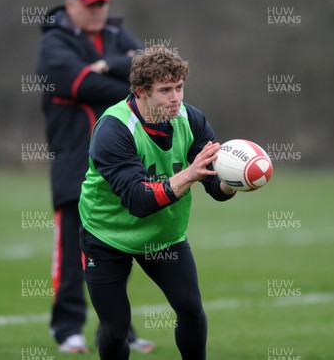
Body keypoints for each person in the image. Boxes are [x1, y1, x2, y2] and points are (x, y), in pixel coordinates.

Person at [78, 45, 237, 360]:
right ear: (141, 92)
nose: (176, 97)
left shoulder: (191, 120)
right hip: (108, 236)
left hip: (164, 236)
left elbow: (213, 185)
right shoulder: (114, 129)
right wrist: (189, 174)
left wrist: (233, 182)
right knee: (115, 327)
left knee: (191, 309)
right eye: (165, 90)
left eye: (179, 87)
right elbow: (138, 200)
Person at [37, 0, 153, 354]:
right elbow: (78, 84)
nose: (97, 11)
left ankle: (122, 330)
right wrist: (122, 73)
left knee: (116, 252)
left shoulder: (119, 36)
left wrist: (105, 67)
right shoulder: (54, 43)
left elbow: (150, 71)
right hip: (74, 163)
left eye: (102, 3)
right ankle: (67, 329)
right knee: (73, 252)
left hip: (118, 165)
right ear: (71, 6)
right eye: (89, 5)